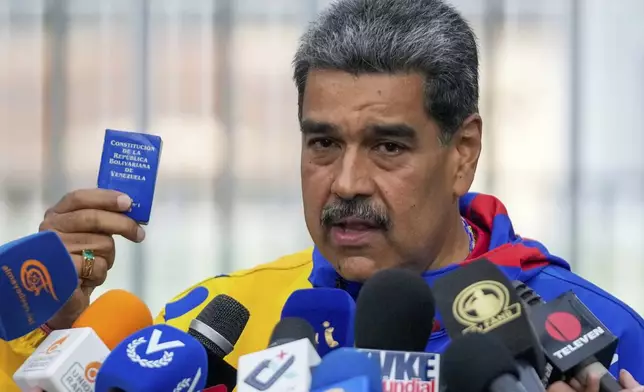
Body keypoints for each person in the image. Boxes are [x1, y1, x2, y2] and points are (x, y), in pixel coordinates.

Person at [1, 0, 642, 390]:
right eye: (324, 143)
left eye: (389, 146)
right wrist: (45, 331)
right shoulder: (219, 319)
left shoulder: (595, 336)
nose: (346, 182)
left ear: (463, 152)